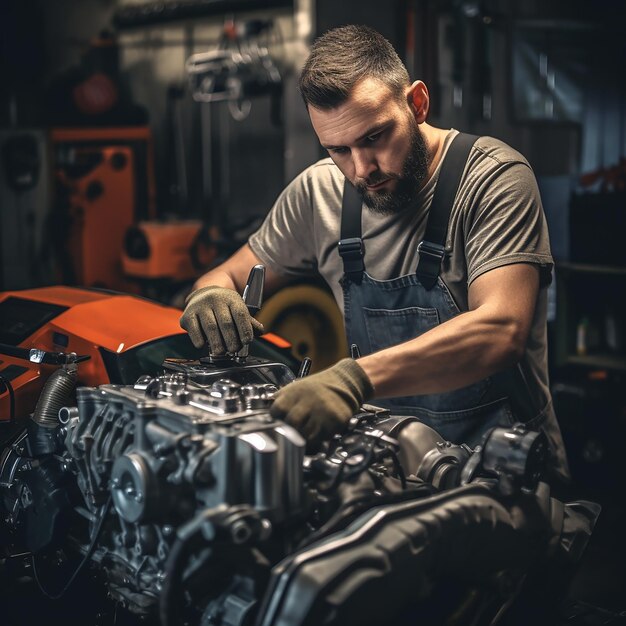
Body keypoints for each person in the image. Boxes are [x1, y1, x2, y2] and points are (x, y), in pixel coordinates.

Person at [180, 24, 569, 480]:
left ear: (417, 104)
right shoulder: (318, 193)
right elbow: (224, 276)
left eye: (374, 137)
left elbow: (501, 330)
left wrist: (353, 380)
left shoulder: (494, 179)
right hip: (387, 467)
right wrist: (208, 296)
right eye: (338, 149)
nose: (362, 169)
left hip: (503, 471)